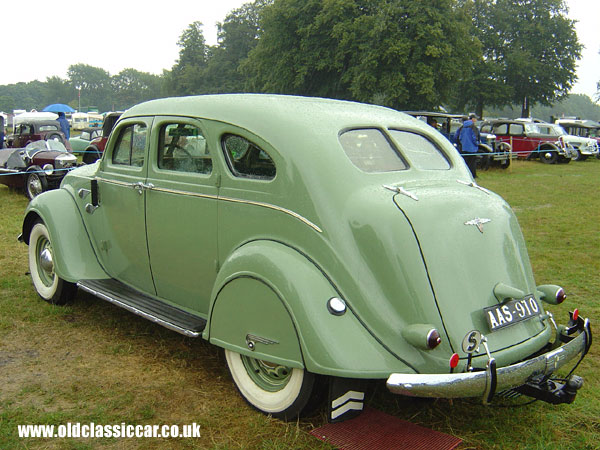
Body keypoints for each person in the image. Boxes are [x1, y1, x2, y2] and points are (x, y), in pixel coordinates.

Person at [455, 113, 480, 178]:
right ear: (472, 119)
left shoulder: (461, 127)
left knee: (464, 162)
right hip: (472, 149)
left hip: (463, 148)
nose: (476, 120)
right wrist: (477, 143)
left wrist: (460, 144)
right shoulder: (474, 127)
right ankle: (473, 175)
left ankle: (464, 175)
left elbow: (456, 137)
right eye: (475, 118)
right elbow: (475, 138)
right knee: (472, 163)